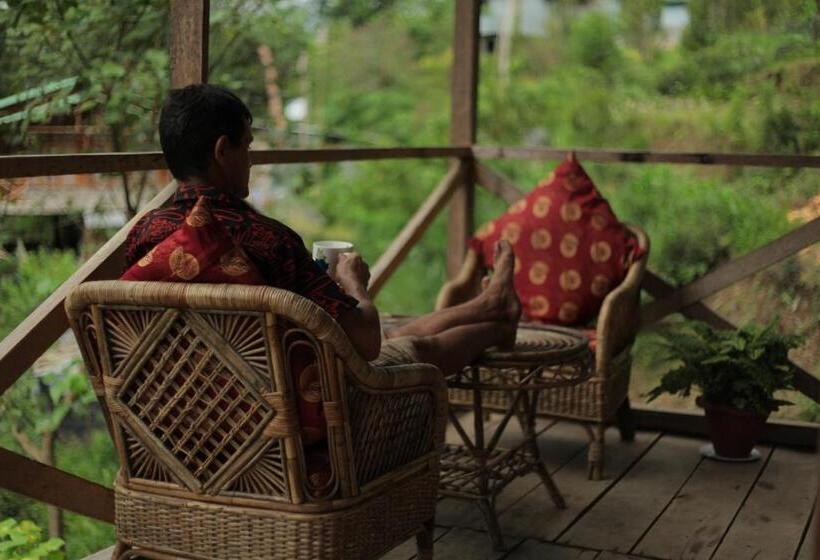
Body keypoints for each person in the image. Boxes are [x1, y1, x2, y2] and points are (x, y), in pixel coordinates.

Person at [124, 84, 520, 374]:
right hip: (298, 415)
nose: (251, 159)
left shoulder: (144, 237)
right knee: (411, 345)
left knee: (396, 331)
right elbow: (365, 342)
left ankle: (489, 308)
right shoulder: (266, 240)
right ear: (222, 150)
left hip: (190, 416)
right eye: (247, 147)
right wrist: (353, 283)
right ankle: (496, 324)